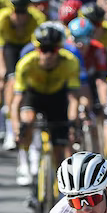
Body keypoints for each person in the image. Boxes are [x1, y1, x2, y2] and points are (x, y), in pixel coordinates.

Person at [12, 22, 81, 188]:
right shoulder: (25, 64)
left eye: (53, 50)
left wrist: (72, 123)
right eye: (44, 50)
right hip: (34, 96)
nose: (48, 55)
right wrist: (16, 127)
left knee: (60, 149)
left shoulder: (70, 62)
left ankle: (60, 189)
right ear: (37, 49)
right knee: (27, 122)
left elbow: (73, 99)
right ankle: (24, 163)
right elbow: (16, 102)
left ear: (59, 49)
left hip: (57, 99)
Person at [0, 0, 48, 149]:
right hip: (10, 46)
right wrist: (2, 71)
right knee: (11, 79)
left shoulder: (38, 19)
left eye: (23, 13)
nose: (20, 17)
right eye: (16, 12)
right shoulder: (1, 19)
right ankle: (11, 127)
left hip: (30, 48)